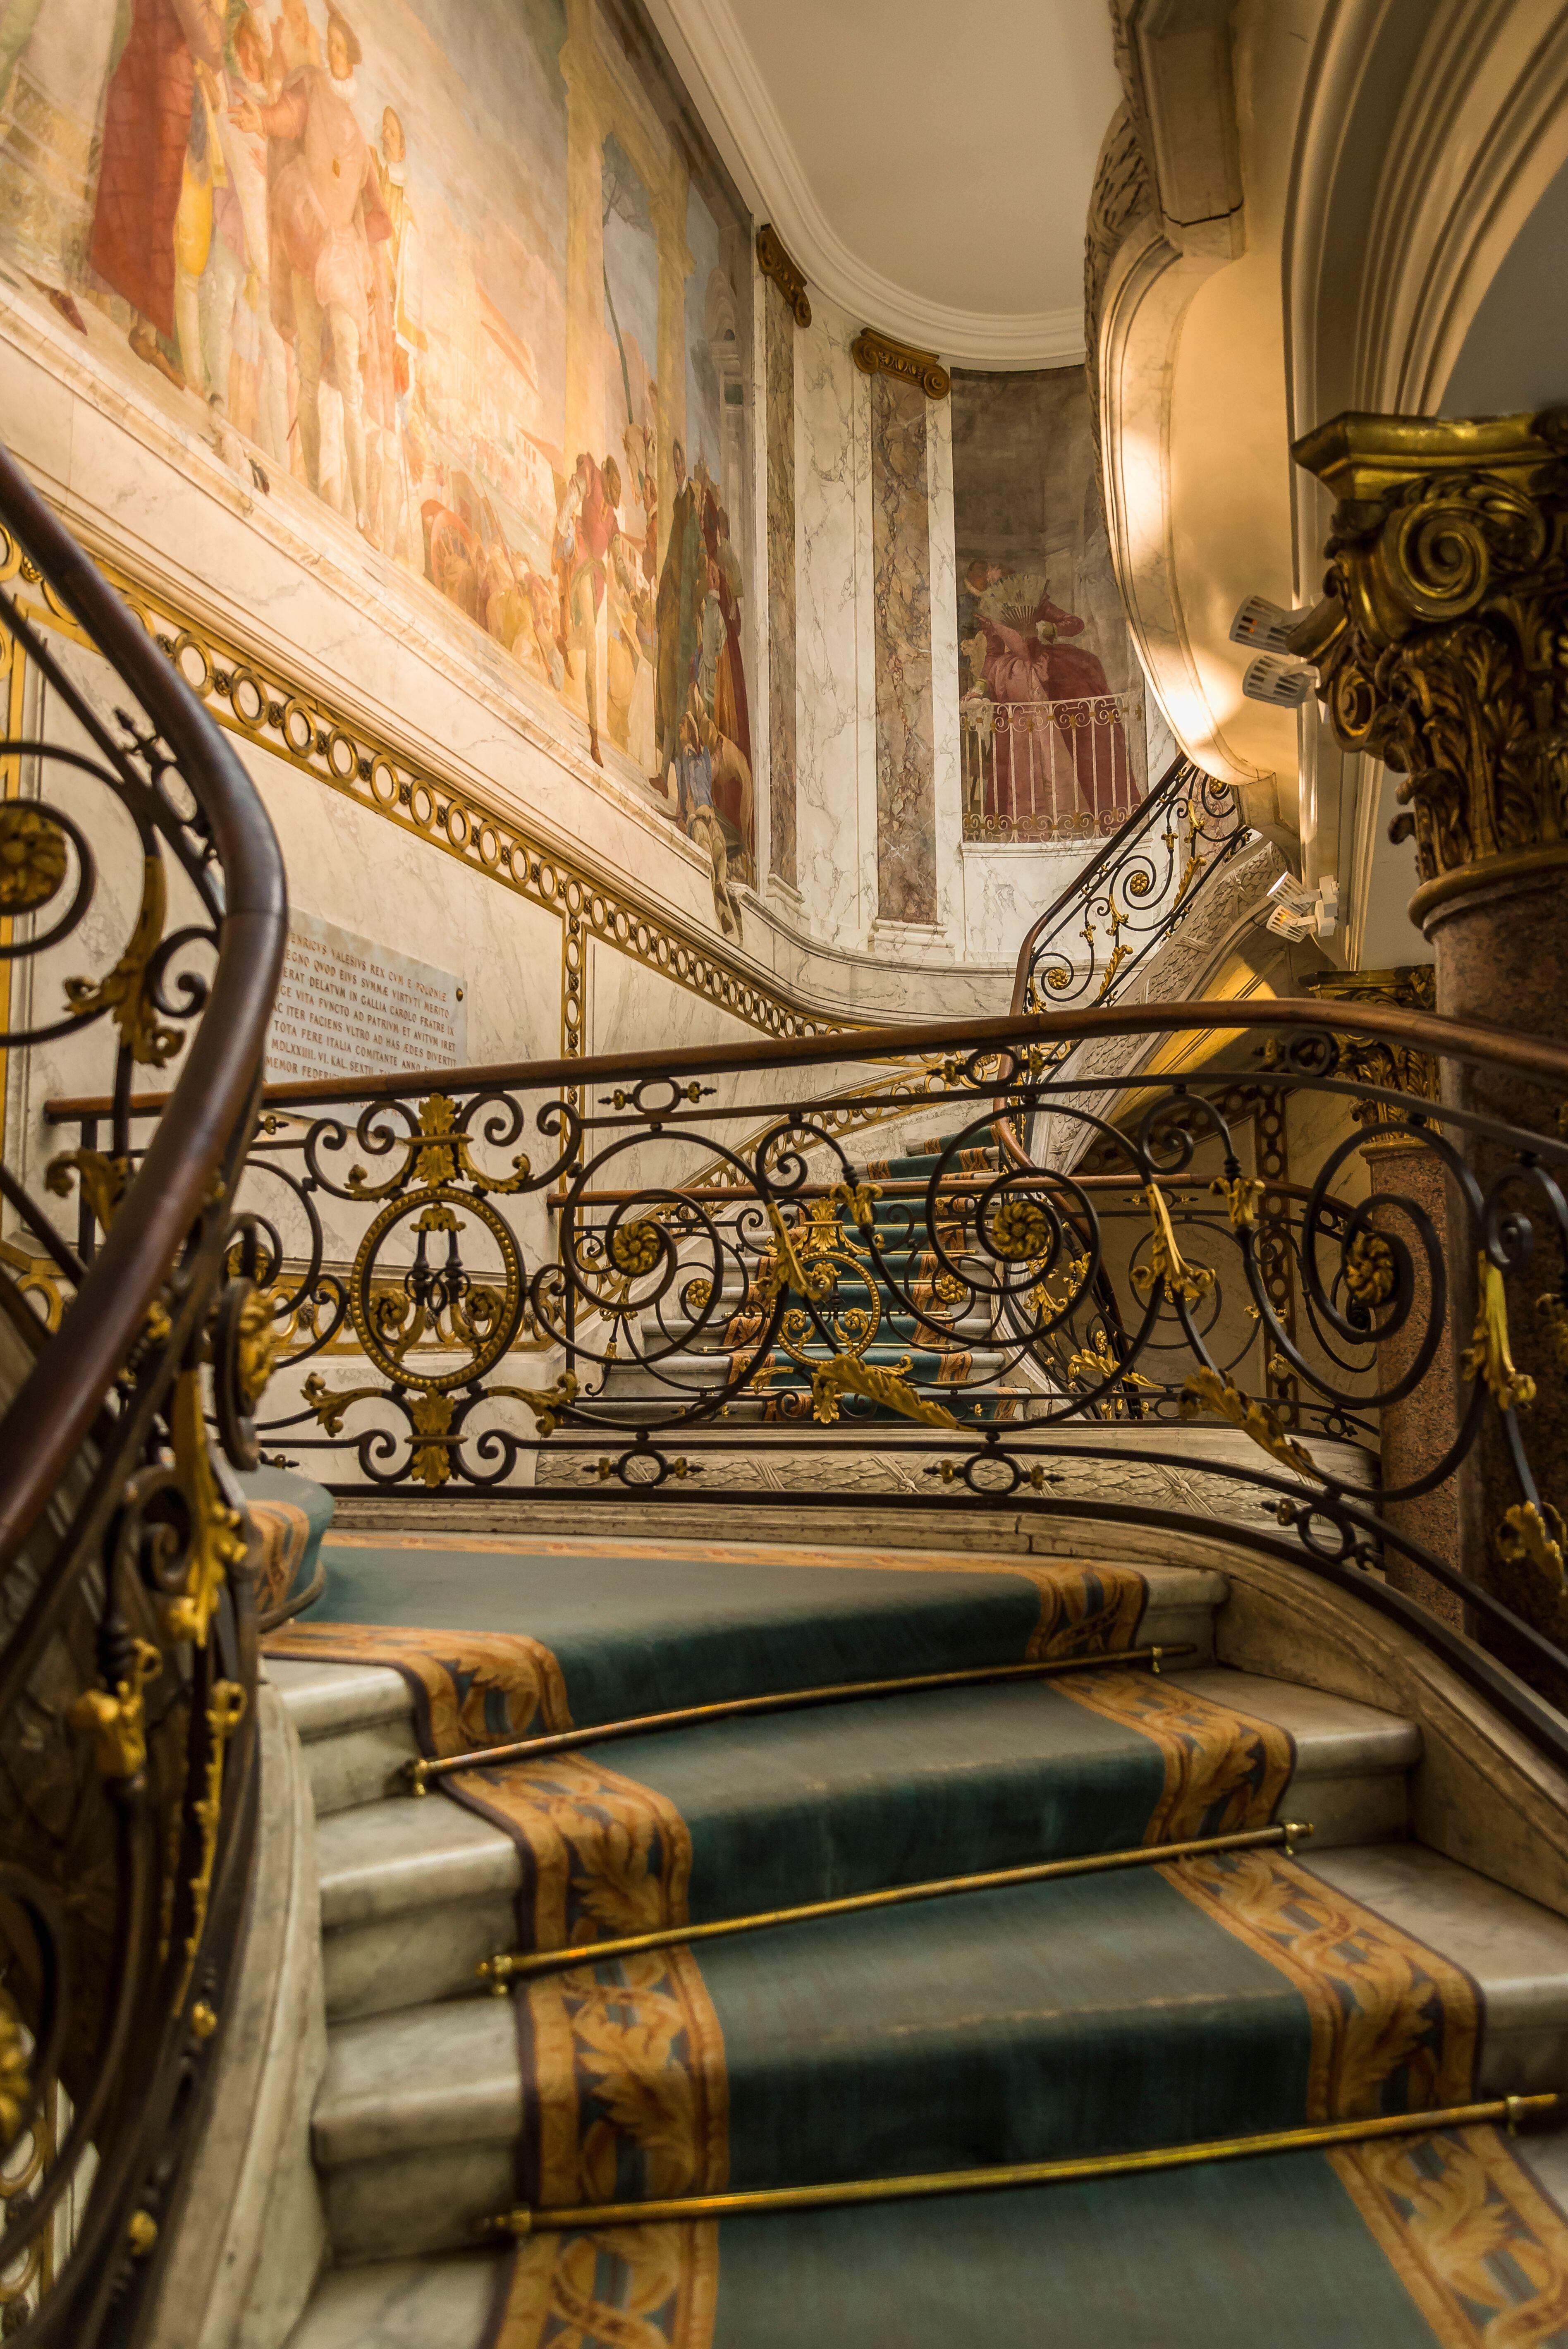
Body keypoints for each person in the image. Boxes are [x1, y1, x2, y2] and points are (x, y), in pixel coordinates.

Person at [231, 4, 390, 536]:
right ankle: (316, 491)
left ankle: (362, 512)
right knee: (304, 368)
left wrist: (357, 245)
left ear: (355, 64)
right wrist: (261, 119)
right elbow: (290, 115)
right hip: (308, 246)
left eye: (343, 52)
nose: (334, 56)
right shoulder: (313, 89)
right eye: (333, 49)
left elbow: (377, 214)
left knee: (349, 383)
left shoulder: (362, 143)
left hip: (340, 259)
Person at [88, 0, 226, 390]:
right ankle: (133, 322)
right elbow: (208, 42)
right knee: (140, 198)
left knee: (137, 196)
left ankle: (142, 328)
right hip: (161, 87)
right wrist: (214, 17)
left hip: (150, 77)